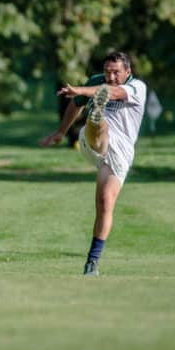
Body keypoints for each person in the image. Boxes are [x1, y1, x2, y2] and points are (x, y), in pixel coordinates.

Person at [39, 51, 147, 276]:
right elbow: (75, 105)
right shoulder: (97, 82)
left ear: (128, 72)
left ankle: (92, 263)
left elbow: (112, 92)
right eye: (107, 71)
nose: (111, 76)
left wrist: (79, 89)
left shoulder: (137, 87)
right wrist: (61, 132)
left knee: (105, 202)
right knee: (100, 125)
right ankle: (96, 116)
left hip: (121, 152)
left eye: (116, 72)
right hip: (92, 140)